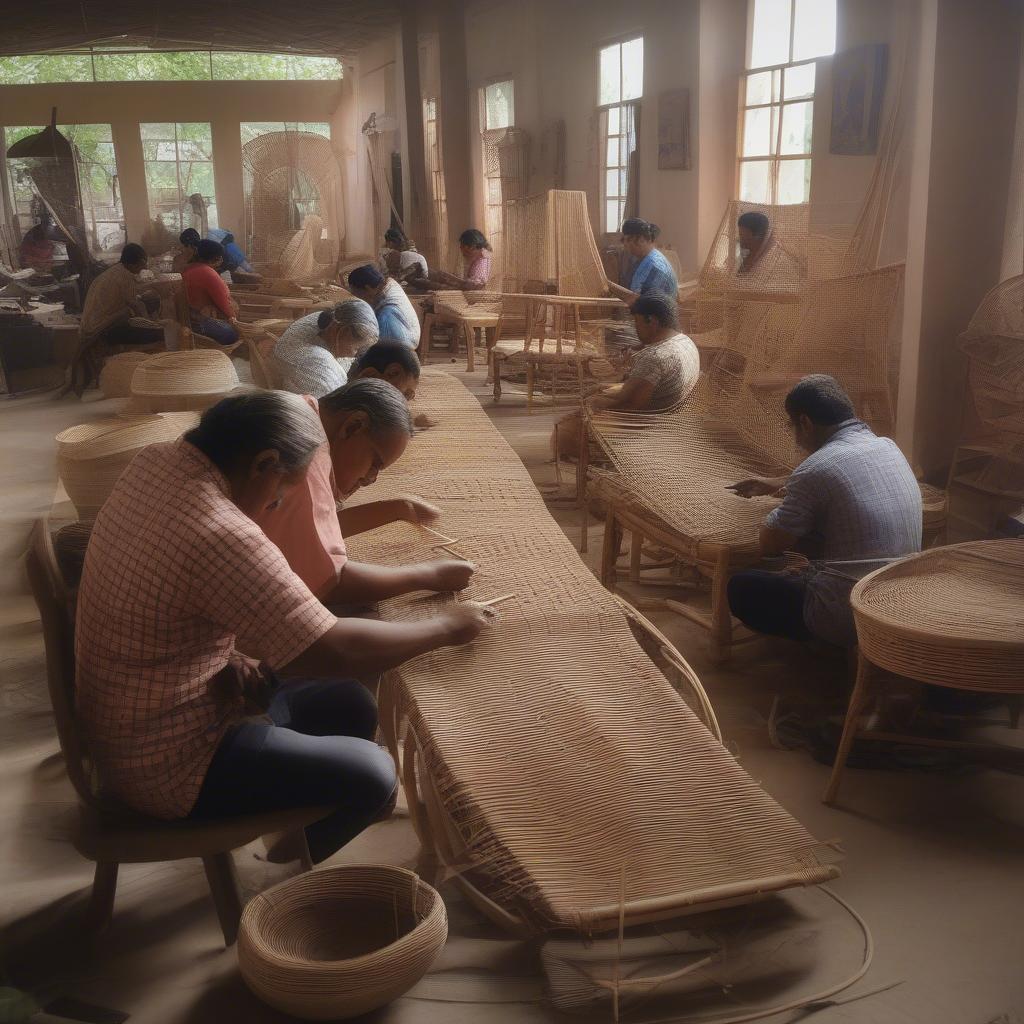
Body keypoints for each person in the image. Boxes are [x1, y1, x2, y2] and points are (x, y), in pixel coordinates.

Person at [75, 389, 494, 863]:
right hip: (168, 763)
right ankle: (279, 877)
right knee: (376, 776)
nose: (274, 508)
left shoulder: (157, 463)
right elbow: (333, 648)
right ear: (263, 464)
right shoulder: (219, 532)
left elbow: (164, 595)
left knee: (352, 703)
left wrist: (230, 654)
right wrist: (447, 627)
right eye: (279, 494)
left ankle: (290, 819)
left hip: (138, 716)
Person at [726, 375, 922, 647]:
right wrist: (781, 483)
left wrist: (774, 509)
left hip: (851, 611)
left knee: (741, 585)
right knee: (816, 539)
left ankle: (828, 643)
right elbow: (840, 471)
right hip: (899, 596)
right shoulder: (887, 447)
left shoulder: (814, 469)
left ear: (805, 423)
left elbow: (770, 543)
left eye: (792, 426)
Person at [254, 378, 467, 609]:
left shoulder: (304, 408)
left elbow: (304, 528)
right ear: (353, 426)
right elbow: (327, 583)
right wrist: (428, 575)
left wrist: (397, 508)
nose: (370, 479)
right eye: (374, 462)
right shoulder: (305, 461)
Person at [553, 295, 699, 459]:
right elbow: (642, 389)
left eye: (637, 323)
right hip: (671, 415)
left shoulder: (654, 357)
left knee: (563, 430)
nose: (636, 329)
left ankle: (597, 462)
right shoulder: (685, 341)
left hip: (645, 425)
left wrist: (594, 403)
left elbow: (631, 405)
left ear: (652, 321)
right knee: (594, 395)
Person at [273, 299, 379, 398]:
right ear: (339, 331)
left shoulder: (329, 317)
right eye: (356, 348)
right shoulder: (322, 370)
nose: (354, 354)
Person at [79, 243, 165, 350]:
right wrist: (153, 324)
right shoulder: (125, 276)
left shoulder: (116, 270)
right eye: (143, 263)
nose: (144, 267)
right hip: (100, 331)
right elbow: (136, 306)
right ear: (135, 264)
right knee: (159, 334)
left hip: (90, 327)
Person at [181, 239, 241, 346]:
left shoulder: (189, 268)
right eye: (220, 256)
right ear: (215, 258)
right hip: (200, 324)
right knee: (231, 333)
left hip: (188, 321)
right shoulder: (208, 273)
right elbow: (228, 309)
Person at [607, 218, 679, 304]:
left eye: (628, 240)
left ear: (641, 240)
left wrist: (611, 287)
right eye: (624, 240)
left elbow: (641, 303)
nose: (625, 244)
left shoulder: (655, 267)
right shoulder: (644, 259)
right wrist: (610, 287)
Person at [348, 264, 420, 349]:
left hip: (403, 347)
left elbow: (384, 349)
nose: (357, 297)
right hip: (407, 336)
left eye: (356, 293)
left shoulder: (386, 315)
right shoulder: (385, 285)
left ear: (368, 288)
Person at [410, 228, 492, 292]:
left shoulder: (482, 261)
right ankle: (418, 275)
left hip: (468, 293)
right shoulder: (479, 257)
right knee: (439, 276)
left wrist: (452, 279)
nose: (461, 250)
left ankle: (415, 277)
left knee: (432, 283)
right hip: (466, 289)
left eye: (463, 247)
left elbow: (473, 286)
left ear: (473, 247)